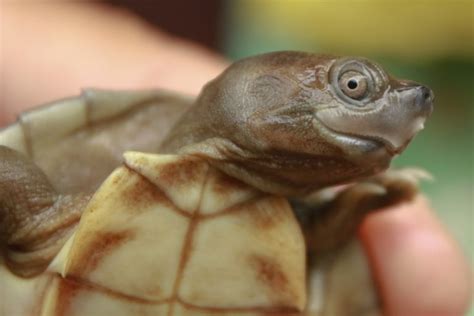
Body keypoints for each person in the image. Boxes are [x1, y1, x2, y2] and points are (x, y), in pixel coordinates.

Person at [1, 3, 471, 315]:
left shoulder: (310, 228)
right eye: (354, 88)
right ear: (255, 86)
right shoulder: (53, 205)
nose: (406, 116)